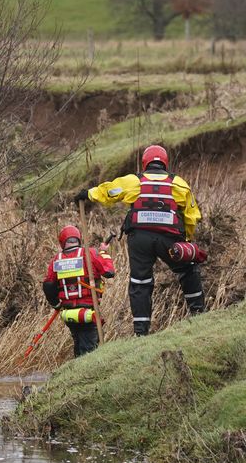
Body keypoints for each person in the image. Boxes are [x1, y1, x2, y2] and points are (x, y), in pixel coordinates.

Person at [74, 144, 204, 336]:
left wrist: (89, 194)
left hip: (140, 240)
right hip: (170, 240)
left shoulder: (134, 181)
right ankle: (199, 314)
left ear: (145, 163)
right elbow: (192, 216)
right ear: (165, 163)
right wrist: (187, 239)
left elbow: (110, 191)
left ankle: (141, 332)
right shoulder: (179, 184)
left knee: (140, 282)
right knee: (187, 271)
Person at [42, 225, 115, 357]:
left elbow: (48, 285)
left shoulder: (56, 260)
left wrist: (56, 305)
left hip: (68, 312)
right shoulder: (90, 253)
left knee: (79, 342)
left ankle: (76, 370)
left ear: (62, 242)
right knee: (89, 349)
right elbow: (109, 272)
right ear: (79, 239)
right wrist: (103, 253)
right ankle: (87, 373)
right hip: (88, 310)